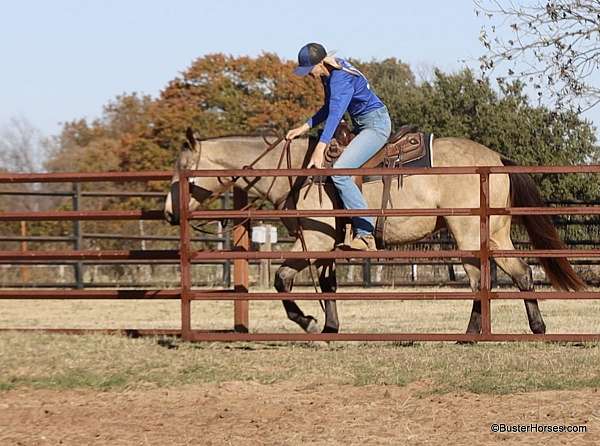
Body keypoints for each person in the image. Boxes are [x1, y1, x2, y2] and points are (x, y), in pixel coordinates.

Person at [286, 42, 391, 251]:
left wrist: (319, 148)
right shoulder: (332, 74)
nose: (309, 75)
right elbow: (329, 108)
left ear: (320, 63)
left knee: (339, 173)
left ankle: (365, 234)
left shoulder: (340, 79)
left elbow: (335, 115)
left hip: (375, 125)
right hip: (364, 124)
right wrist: (304, 127)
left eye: (310, 70)